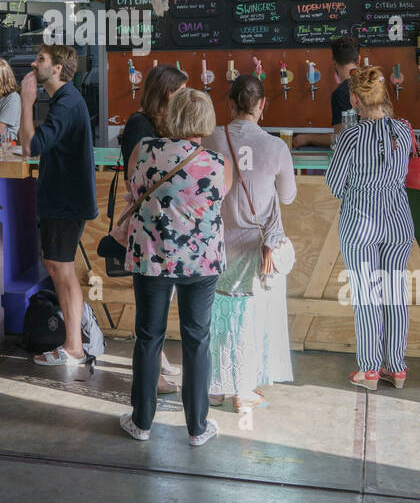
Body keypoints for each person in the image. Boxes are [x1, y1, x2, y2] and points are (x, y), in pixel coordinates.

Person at [121, 87, 232, 447]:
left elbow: (132, 188)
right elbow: (218, 198)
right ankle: (198, 428)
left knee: (149, 337)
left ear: (172, 115)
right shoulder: (217, 163)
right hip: (201, 262)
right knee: (196, 339)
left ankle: (141, 423)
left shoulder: (144, 151)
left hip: (152, 256)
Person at [205, 73, 297, 410]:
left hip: (215, 242)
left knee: (217, 311)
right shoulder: (275, 146)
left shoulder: (210, 138)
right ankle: (243, 391)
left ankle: (215, 387)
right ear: (262, 105)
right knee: (249, 313)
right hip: (256, 247)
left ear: (229, 104)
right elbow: (287, 197)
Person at [325, 65, 413, 391]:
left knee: (367, 296)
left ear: (353, 99)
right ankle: (398, 368)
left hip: (361, 222)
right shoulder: (403, 131)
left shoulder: (351, 135)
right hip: (399, 220)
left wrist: (359, 191)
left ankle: (370, 370)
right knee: (394, 294)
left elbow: (334, 184)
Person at [19, 44, 98, 366]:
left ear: (56, 69)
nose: (34, 63)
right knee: (55, 266)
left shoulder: (66, 102)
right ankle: (73, 343)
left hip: (67, 202)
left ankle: (74, 346)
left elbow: (31, 147)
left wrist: (26, 101)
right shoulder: (65, 100)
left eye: (41, 60)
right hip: (62, 199)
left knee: (62, 270)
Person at [119, 64, 188, 395]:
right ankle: (152, 376)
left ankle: (157, 360)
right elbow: (139, 175)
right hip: (147, 226)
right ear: (167, 92)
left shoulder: (161, 124)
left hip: (162, 224)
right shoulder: (139, 124)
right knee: (150, 305)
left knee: (158, 300)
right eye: (181, 91)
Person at [293, 35, 360, 149]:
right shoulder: (373, 87)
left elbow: (340, 138)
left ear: (333, 61)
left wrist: (307, 138)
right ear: (359, 59)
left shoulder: (341, 93)